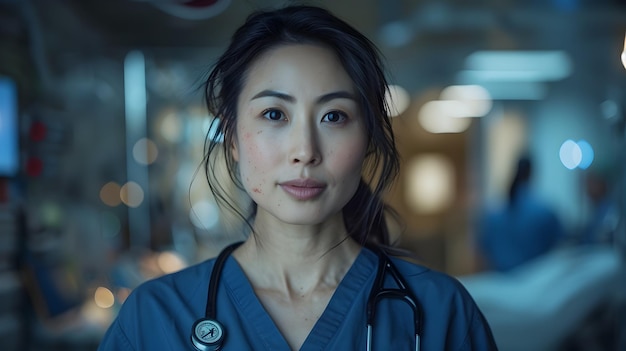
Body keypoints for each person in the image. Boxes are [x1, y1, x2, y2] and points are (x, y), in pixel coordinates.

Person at [98, 5, 497, 350]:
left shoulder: (442, 313)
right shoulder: (154, 319)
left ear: (367, 138)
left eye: (334, 116)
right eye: (274, 114)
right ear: (232, 136)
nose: (305, 150)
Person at [477, 155, 565, 272]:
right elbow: (560, 247)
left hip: (499, 283)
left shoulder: (493, 214)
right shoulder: (545, 212)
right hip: (536, 284)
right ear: (531, 173)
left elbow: (482, 253)